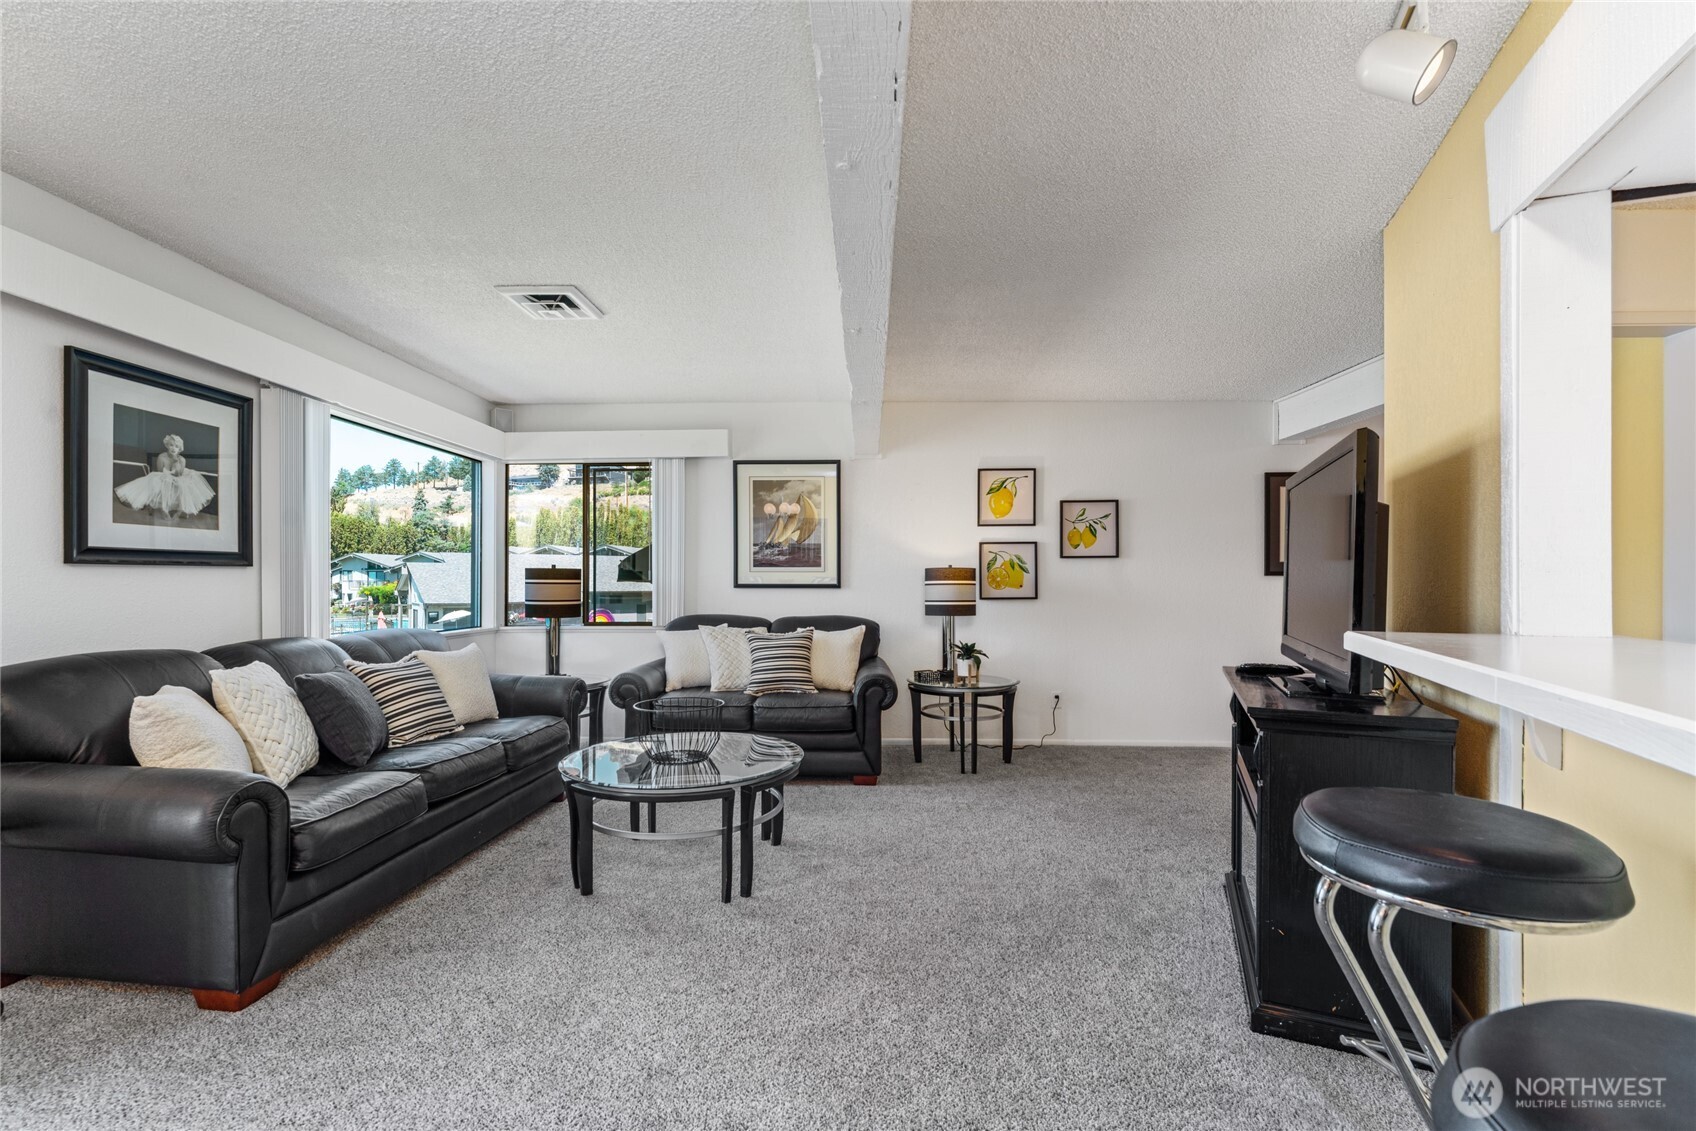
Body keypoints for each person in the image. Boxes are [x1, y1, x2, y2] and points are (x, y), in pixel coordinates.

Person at [113, 433, 215, 519]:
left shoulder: (182, 459)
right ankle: (159, 507)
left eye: (177, 446)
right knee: (158, 481)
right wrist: (168, 475)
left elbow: (179, 474)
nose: (174, 448)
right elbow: (160, 472)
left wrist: (176, 462)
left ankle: (181, 509)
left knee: (182, 484)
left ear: (180, 449)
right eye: (171, 445)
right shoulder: (162, 457)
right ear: (167, 445)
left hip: (178, 477)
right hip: (163, 476)